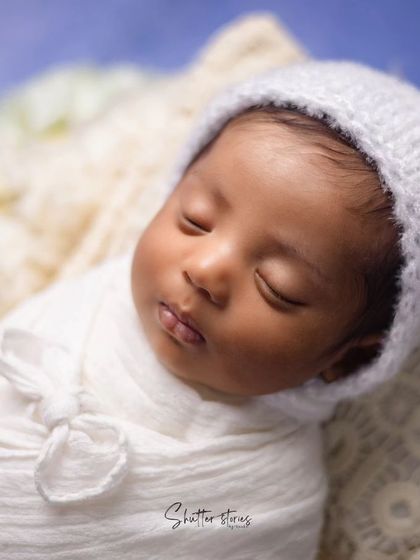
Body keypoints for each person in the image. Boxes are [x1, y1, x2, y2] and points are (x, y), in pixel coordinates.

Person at [0, 60, 419, 560]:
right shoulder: (97, 292)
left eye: (277, 288)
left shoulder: (268, 502)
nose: (203, 270)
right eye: (195, 220)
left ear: (347, 360)